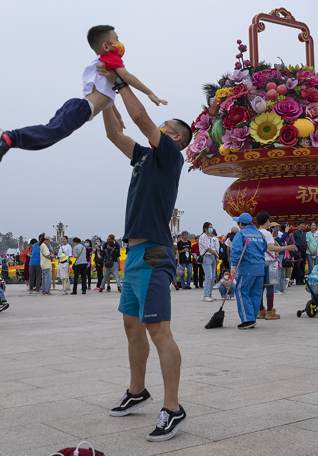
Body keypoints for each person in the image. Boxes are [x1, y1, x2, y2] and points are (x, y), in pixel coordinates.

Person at [99, 73, 192, 442]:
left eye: (164, 125)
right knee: (132, 326)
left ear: (175, 137)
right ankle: (137, 391)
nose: (158, 126)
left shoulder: (170, 155)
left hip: (155, 249)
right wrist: (105, 97)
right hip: (134, 251)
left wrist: (120, 84)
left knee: (158, 331)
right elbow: (114, 134)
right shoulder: (144, 157)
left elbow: (138, 118)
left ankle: (173, 408)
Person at [0, 25, 165, 163]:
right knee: (51, 133)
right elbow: (127, 76)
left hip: (78, 107)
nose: (120, 42)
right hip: (81, 109)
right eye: (116, 39)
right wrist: (150, 93)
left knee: (49, 138)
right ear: (107, 46)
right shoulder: (112, 58)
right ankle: (7, 136)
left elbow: (105, 97)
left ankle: (3, 143)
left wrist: (117, 115)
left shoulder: (102, 63)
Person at [230, 213, 268, 328]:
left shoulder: (241, 234)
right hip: (260, 269)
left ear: (241, 224)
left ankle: (248, 319)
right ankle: (252, 318)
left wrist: (233, 266)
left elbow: (236, 251)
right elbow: (265, 248)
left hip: (247, 268)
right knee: (256, 294)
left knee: (242, 292)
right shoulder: (260, 234)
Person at [197, 222, 219, 301]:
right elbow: (208, 248)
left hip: (212, 257)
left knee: (213, 277)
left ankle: (209, 294)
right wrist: (216, 254)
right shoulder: (203, 237)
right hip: (207, 257)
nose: (211, 229)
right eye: (210, 227)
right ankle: (205, 295)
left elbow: (214, 247)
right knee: (208, 276)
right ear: (205, 229)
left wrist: (216, 256)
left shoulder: (210, 238)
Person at [291, 221, 308, 285]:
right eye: (301, 224)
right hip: (298, 250)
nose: (303, 226)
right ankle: (298, 280)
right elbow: (293, 241)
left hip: (304, 249)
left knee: (303, 265)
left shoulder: (305, 233)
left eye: (304, 224)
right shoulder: (295, 233)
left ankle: (302, 279)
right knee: (297, 265)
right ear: (299, 225)